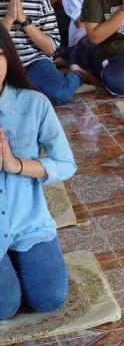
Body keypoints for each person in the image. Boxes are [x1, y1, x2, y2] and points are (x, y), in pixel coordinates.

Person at [0, 24, 75, 322]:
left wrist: (15, 164)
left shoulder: (34, 103)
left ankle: (17, 257)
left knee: (49, 299)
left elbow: (66, 164)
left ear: (7, 56)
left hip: (28, 223)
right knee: (4, 305)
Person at [0, 0, 83, 104]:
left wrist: (24, 21)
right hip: (3, 64)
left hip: (34, 62)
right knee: (20, 97)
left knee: (61, 93)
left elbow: (51, 49)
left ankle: (77, 74)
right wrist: (9, 19)